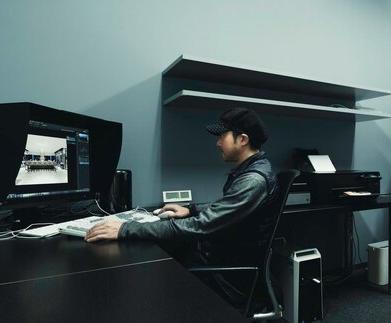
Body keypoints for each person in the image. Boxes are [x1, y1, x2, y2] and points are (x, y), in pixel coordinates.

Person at [85, 107, 278, 273]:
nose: (218, 143)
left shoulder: (253, 180)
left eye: (222, 136)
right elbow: (227, 206)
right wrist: (190, 209)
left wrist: (126, 229)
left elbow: (201, 226)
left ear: (242, 139)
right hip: (221, 254)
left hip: (227, 272)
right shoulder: (251, 171)